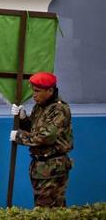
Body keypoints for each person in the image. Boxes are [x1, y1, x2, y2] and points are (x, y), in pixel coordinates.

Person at [10, 72, 73, 207]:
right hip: (40, 168)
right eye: (33, 90)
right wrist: (23, 119)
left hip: (53, 168)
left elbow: (46, 137)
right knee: (48, 208)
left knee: (47, 210)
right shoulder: (40, 107)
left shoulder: (59, 109)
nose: (34, 94)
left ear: (50, 90)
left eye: (37, 91)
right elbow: (34, 129)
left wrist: (19, 137)